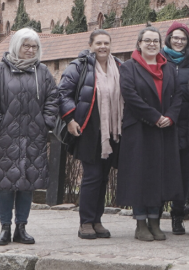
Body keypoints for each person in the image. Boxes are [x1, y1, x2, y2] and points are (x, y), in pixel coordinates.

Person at [0, 28, 59, 246]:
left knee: (27, 183)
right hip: (6, 137)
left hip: (34, 136)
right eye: (26, 46)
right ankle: (5, 228)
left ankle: (21, 228)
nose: (30, 50)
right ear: (16, 46)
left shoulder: (42, 72)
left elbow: (53, 98)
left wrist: (46, 123)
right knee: (5, 183)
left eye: (34, 46)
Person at [117, 26, 184, 242]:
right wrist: (155, 116)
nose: (152, 44)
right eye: (147, 41)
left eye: (155, 41)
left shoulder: (169, 68)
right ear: (139, 43)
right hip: (139, 129)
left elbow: (178, 96)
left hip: (164, 130)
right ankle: (140, 223)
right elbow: (130, 95)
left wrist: (170, 117)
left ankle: (155, 221)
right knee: (140, 175)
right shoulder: (128, 68)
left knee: (160, 175)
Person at [59, 29, 123, 240]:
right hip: (87, 128)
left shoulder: (119, 67)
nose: (103, 47)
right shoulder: (79, 66)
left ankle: (97, 220)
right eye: (99, 43)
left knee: (103, 177)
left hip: (111, 131)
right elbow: (63, 94)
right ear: (91, 45)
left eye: (106, 43)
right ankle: (85, 222)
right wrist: (70, 119)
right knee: (92, 176)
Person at [163, 21, 189, 235]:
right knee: (160, 169)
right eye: (175, 37)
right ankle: (153, 215)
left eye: (183, 38)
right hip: (163, 123)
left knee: (183, 172)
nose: (179, 41)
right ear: (168, 38)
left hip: (186, 123)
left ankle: (177, 215)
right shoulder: (159, 60)